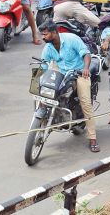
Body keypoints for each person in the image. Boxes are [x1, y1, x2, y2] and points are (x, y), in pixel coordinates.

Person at [39, 21, 100, 152]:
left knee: (85, 103)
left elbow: (86, 54)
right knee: (45, 95)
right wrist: (40, 79)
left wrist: (85, 68)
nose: (43, 37)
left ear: (54, 32)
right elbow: (44, 66)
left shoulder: (72, 39)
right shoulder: (48, 48)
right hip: (61, 74)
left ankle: (92, 138)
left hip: (79, 73)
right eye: (42, 34)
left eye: (45, 34)